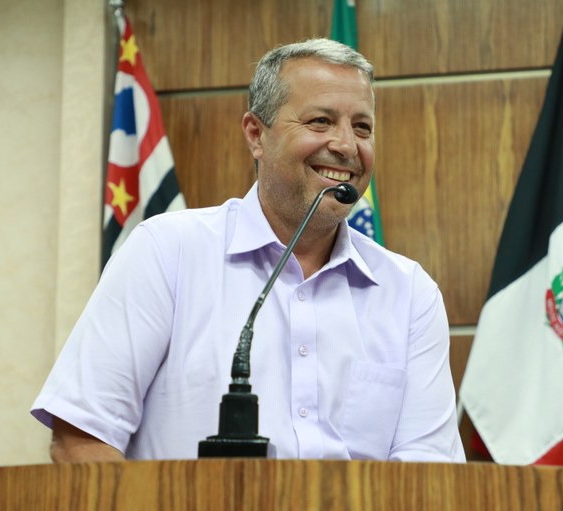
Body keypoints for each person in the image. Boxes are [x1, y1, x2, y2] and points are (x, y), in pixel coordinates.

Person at [32, 38, 466, 463]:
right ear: (256, 134)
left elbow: (429, 474)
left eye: (362, 127)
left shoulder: (409, 293)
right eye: (320, 121)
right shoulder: (167, 252)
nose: (347, 146)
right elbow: (81, 438)